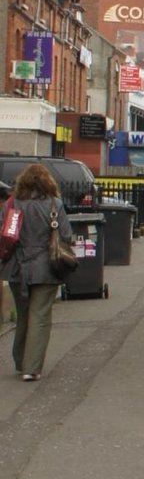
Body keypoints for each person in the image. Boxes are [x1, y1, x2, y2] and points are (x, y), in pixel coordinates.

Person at [1, 163, 70, 381]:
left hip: (16, 267)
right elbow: (66, 234)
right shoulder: (54, 204)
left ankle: (20, 361)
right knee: (39, 315)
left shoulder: (12, 205)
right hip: (46, 267)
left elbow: (6, 234)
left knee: (23, 315)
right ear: (47, 182)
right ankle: (31, 368)